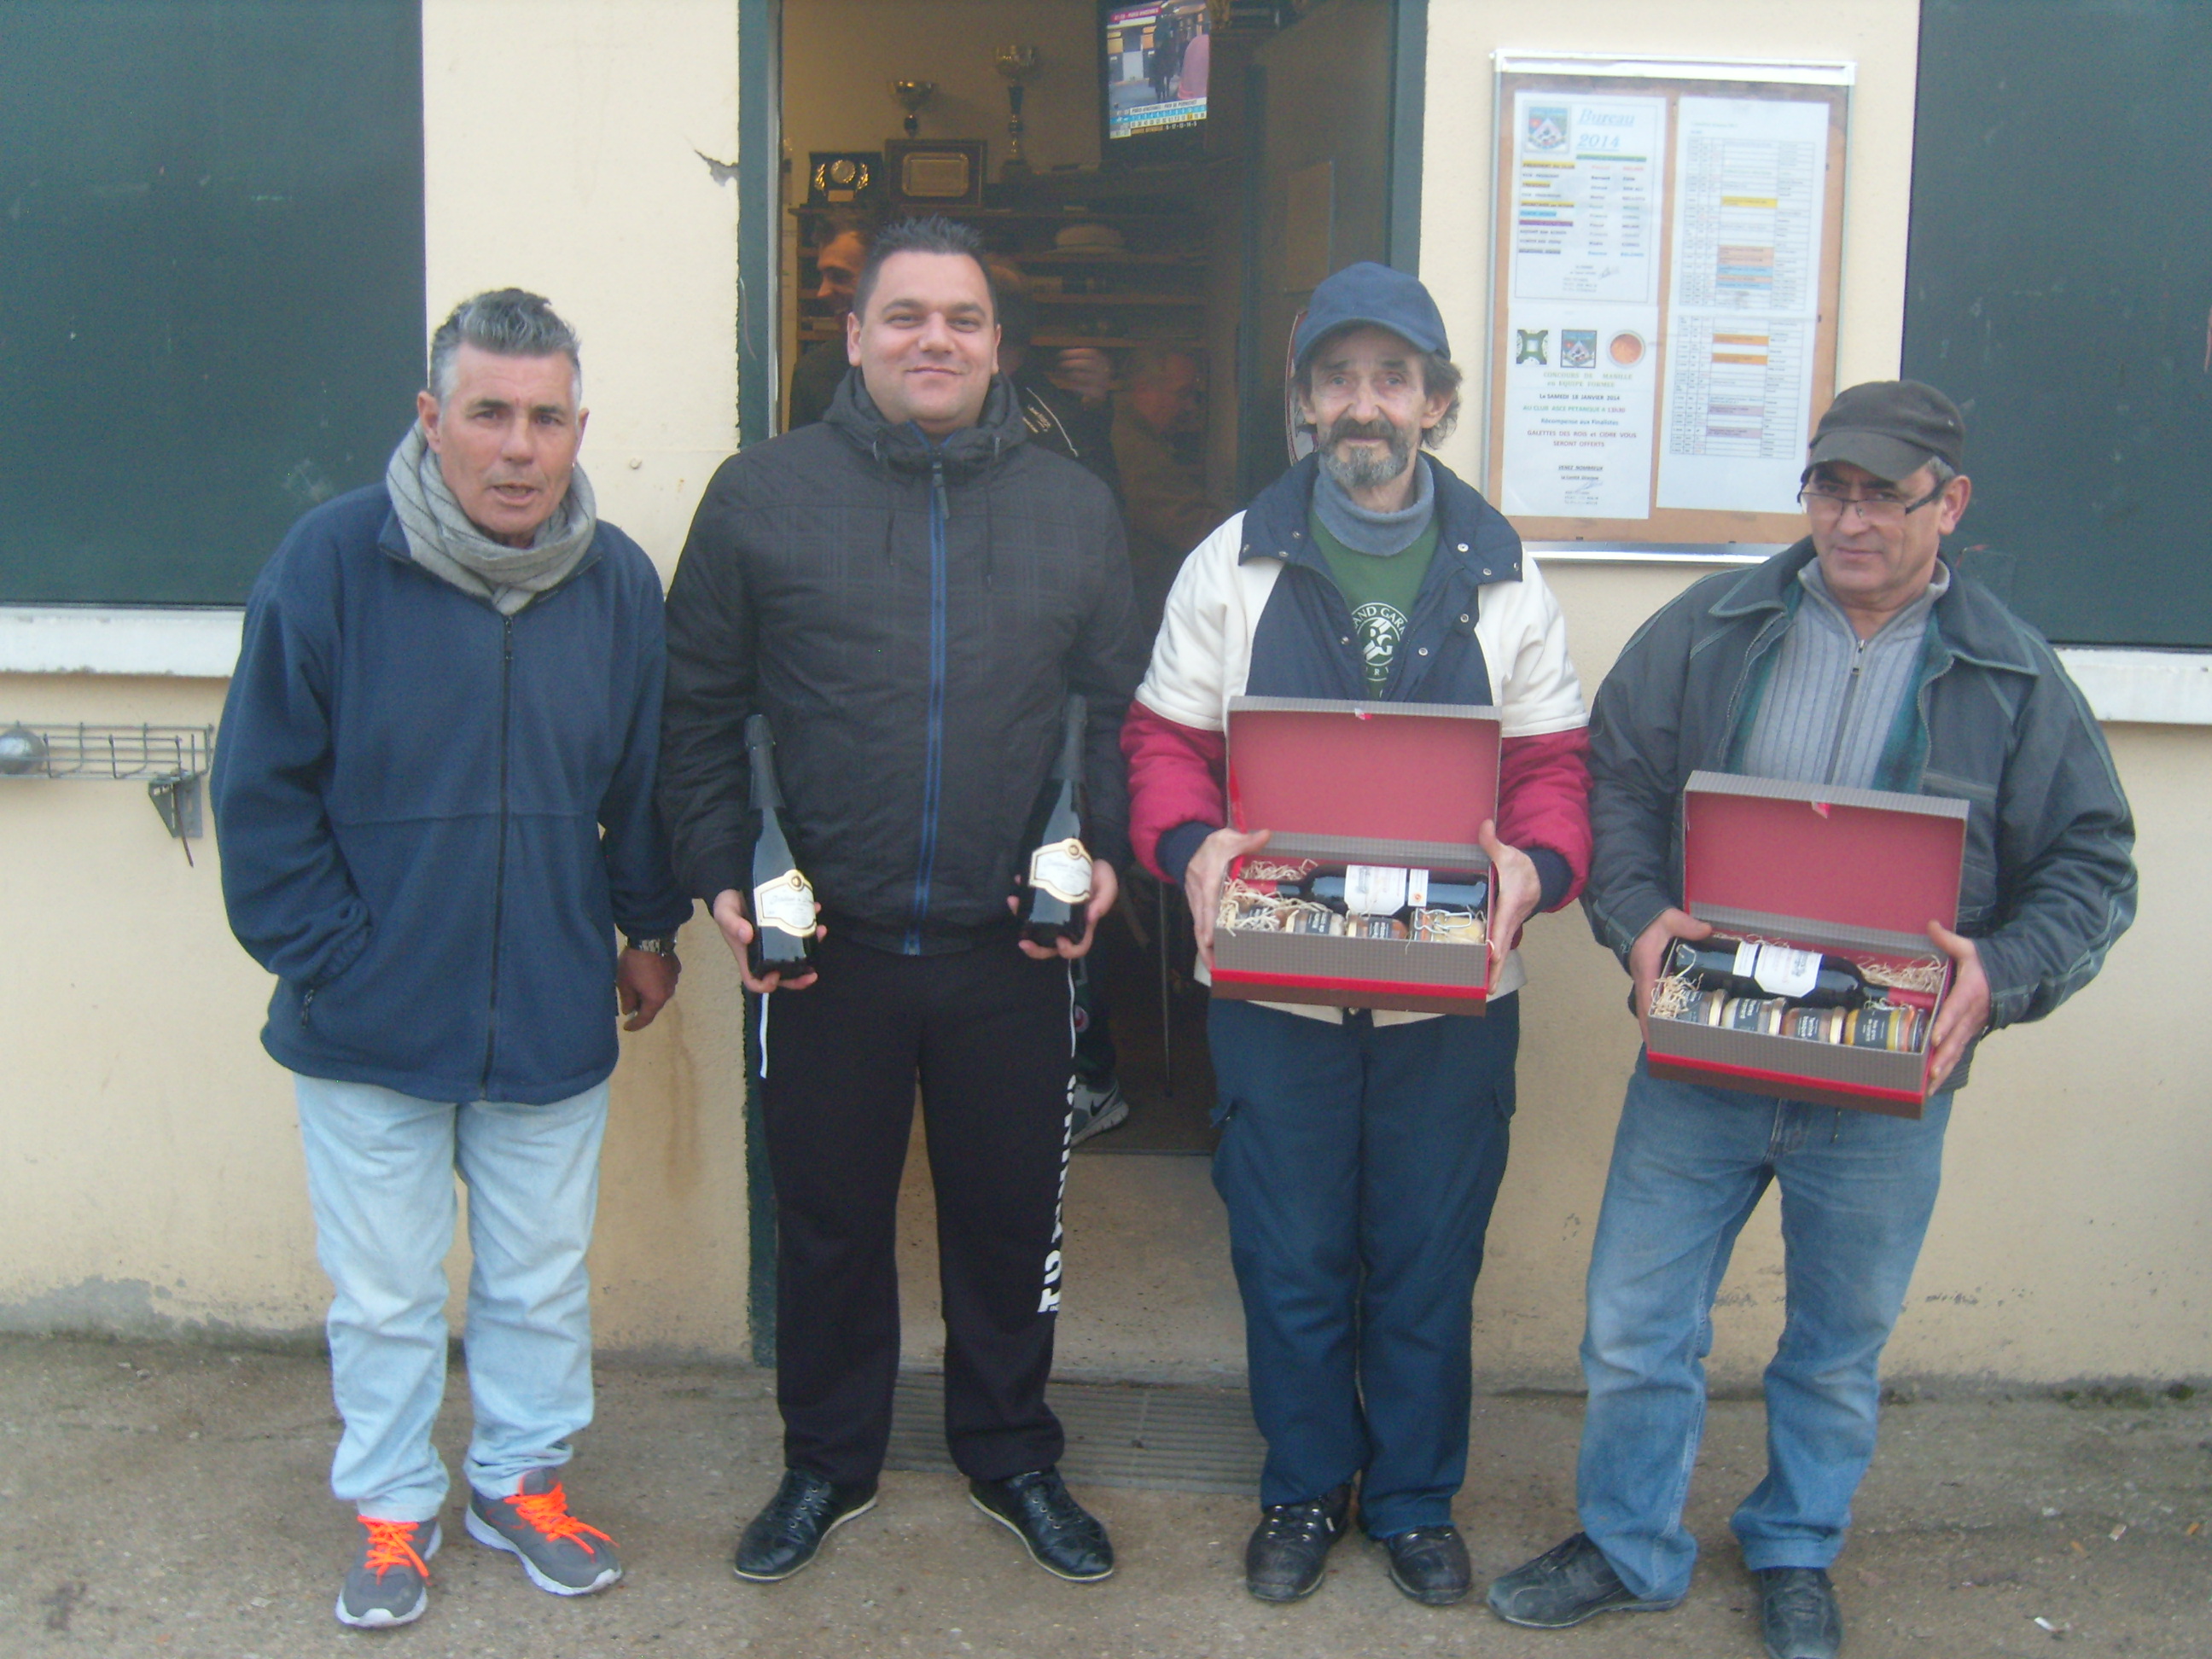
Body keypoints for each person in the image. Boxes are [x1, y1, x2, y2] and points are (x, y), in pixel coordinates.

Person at [1485, 381, 2137, 1659]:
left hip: (1885, 1076)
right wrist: (1639, 914)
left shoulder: (2011, 674)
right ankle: (1630, 1544)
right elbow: (1617, 776)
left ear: (1949, 505)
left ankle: (1793, 1545)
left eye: (1884, 496)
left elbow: (2094, 868)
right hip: (1705, 1047)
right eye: (1831, 489)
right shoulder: (1715, 628)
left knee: (1837, 1346)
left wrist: (1996, 977)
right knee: (1633, 1322)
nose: (1852, 519)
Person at [659, 215, 1146, 1586]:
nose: (935, 339)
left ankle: (1012, 1452)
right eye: (906, 316)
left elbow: (1117, 707)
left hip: (1012, 951)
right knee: (826, 1227)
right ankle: (826, 1461)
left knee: (1009, 1222)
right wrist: (719, 876)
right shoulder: (760, 496)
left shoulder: (1072, 508)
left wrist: (1100, 844)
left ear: (998, 346)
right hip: (826, 955)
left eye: (965, 319)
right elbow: (696, 715)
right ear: (857, 335)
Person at [211, 289, 692, 1629]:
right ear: (432, 421)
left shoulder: (616, 583)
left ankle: (518, 1488)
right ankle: (389, 1509)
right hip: (367, 1019)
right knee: (383, 1293)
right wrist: (336, 960)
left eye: (546, 417)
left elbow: (644, 787)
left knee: (539, 1277)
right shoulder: (329, 562)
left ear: (578, 426)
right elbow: (258, 797)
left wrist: (648, 930)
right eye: (489, 413)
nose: (520, 447)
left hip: (549, 1006)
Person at [1122, 262, 1593, 1607]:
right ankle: (1301, 1487)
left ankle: (1414, 1500)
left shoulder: (1506, 572)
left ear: (1437, 403)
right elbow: (1163, 739)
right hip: (1276, 989)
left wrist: (1539, 867)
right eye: (1339, 378)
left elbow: (1555, 765)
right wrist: (1188, 841)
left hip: (1453, 993)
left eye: (1394, 378)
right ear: (1305, 403)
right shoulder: (1235, 560)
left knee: (1429, 1258)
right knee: (1289, 1253)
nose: (1365, 403)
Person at [988, 259, 1130, 1144]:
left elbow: (1102, 561)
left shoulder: (1063, 431)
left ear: (1005, 341)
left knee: (1058, 905)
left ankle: (1088, 1079)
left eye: (970, 323)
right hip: (1002, 709)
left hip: (1053, 707)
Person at [1111, 344, 1232, 629]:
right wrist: (1250, 533)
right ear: (1143, 390)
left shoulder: (1133, 434)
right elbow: (1186, 522)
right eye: (1182, 393)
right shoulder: (1134, 448)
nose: (1189, 406)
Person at [787, 212, 870, 428]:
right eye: (822, 277)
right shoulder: (815, 374)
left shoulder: (936, 360)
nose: (822, 292)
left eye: (839, 277)